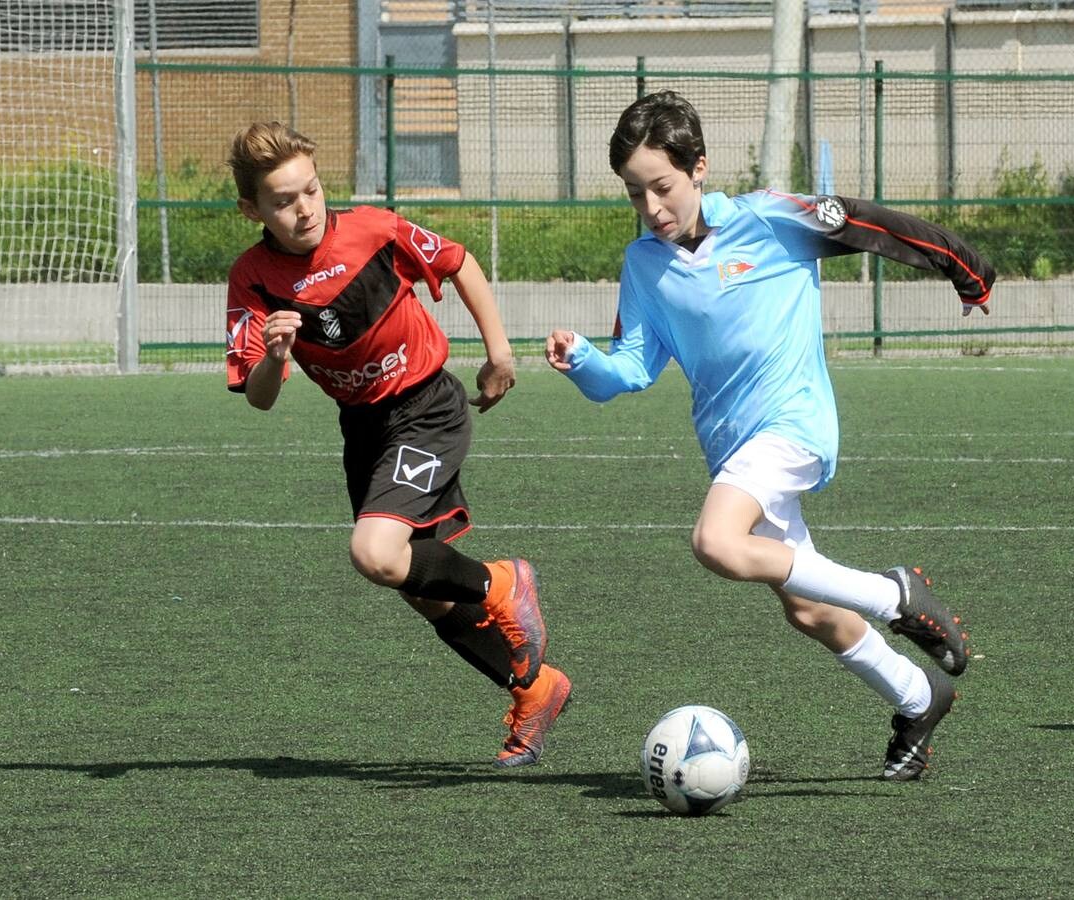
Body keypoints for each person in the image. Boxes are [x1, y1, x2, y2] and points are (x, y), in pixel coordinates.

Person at [546, 91, 994, 781]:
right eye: (636, 195)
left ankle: (896, 595)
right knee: (811, 609)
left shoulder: (767, 218)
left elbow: (873, 226)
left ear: (699, 168)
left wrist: (965, 268)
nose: (653, 209)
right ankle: (918, 695)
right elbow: (630, 371)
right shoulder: (645, 265)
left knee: (715, 542)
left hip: (794, 426)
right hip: (733, 450)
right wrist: (582, 362)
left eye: (662, 188)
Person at [225, 121, 570, 767]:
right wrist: (276, 355)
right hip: (364, 428)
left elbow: (457, 260)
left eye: (312, 190)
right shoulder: (253, 278)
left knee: (375, 554)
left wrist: (500, 354)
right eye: (282, 200)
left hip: (425, 409)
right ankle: (535, 688)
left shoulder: (374, 230)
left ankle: (503, 582)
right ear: (252, 210)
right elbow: (259, 395)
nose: (303, 208)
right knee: (421, 587)